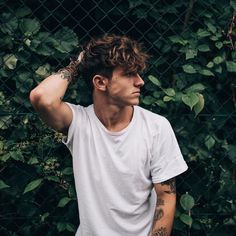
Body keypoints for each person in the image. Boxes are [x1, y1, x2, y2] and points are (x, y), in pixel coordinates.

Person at [30, 34, 188, 236]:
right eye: (130, 74)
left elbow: (166, 196)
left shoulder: (156, 127)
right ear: (100, 83)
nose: (140, 82)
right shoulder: (79, 123)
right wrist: (79, 63)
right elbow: (41, 98)